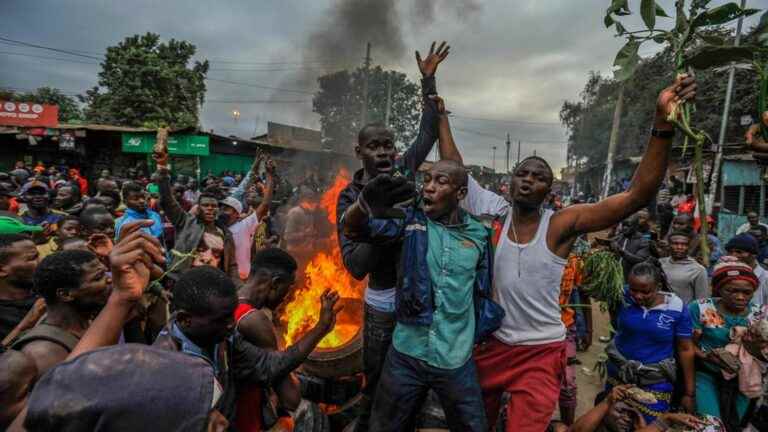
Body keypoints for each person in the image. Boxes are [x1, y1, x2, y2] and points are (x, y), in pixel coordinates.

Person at [459, 74, 698, 431]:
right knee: (473, 422)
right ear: (510, 182)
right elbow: (454, 171)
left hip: (540, 352)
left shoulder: (560, 225)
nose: (528, 179)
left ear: (548, 189)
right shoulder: (497, 212)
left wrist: (662, 124)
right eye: (522, 173)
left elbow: (635, 196)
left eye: (538, 176)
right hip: (492, 344)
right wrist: (436, 104)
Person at [335, 41, 449, 431]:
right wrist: (374, 214)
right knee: (379, 380)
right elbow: (355, 267)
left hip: (420, 297)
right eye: (374, 146)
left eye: (388, 145)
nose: (384, 152)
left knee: (421, 380)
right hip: (383, 301)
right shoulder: (350, 198)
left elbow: (429, 131)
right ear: (360, 151)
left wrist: (428, 80)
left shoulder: (403, 173)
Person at [343, 157, 501, 431]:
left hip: (456, 358)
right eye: (427, 180)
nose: (428, 187)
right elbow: (354, 230)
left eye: (440, 182)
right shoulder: (408, 221)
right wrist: (363, 206)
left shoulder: (479, 234)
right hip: (406, 353)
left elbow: (482, 288)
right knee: (383, 426)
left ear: (460, 194)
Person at [153, 265, 342, 426]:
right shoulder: (164, 369)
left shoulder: (224, 337)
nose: (232, 324)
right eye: (222, 319)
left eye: (230, 315)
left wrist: (321, 328)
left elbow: (269, 365)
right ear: (185, 320)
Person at [603, 259, 695, 424]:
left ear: (658, 287)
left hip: (655, 381)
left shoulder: (676, 308)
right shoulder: (622, 295)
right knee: (611, 421)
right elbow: (616, 323)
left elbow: (685, 349)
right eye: (634, 290)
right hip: (618, 373)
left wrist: (689, 392)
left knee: (649, 424)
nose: (638, 296)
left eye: (646, 292)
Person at [689, 260, 766, 429]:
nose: (740, 297)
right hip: (706, 375)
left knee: (736, 424)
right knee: (710, 425)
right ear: (718, 289)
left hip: (744, 379)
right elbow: (686, 346)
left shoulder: (759, 314)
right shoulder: (701, 308)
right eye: (732, 291)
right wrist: (707, 356)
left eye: (747, 292)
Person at [11, 250, 111, 377]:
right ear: (65, 294)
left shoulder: (90, 318)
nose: (109, 279)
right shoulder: (43, 353)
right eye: (98, 277)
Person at [234, 247, 299, 431]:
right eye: (289, 288)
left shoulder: (231, 299)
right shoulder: (255, 320)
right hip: (245, 421)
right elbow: (291, 399)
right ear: (276, 283)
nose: (287, 297)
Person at [155, 165, 240, 284]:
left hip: (212, 285)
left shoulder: (226, 234)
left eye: (214, 206)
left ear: (218, 210)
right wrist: (163, 172)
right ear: (198, 208)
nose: (210, 208)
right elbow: (167, 200)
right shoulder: (186, 222)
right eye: (205, 205)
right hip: (184, 282)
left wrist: (239, 289)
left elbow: (231, 265)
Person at [222, 156, 275, 281]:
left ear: (236, 213)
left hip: (241, 278)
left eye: (226, 209)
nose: (222, 211)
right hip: (223, 278)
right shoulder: (218, 227)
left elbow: (265, 204)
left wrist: (270, 175)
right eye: (222, 208)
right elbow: (241, 189)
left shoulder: (244, 226)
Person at [0, 234, 40, 342]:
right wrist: (24, 325)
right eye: (32, 258)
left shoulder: (48, 294)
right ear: (2, 270)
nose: (41, 262)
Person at [660, 231, 709, 304]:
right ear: (669, 245)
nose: (679, 247)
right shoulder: (660, 263)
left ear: (688, 247)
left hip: (683, 312)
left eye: (684, 244)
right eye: (675, 244)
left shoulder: (698, 269)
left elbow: (702, 300)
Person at [725, 233, 768, 305]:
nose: (733, 255)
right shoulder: (726, 275)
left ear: (754, 255)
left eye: (739, 252)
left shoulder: (765, 278)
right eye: (730, 252)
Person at [612, 210, 652, 281]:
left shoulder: (642, 241)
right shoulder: (620, 237)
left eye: (628, 226)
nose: (624, 228)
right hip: (615, 277)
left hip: (630, 280)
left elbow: (640, 260)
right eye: (623, 225)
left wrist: (622, 251)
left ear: (635, 226)